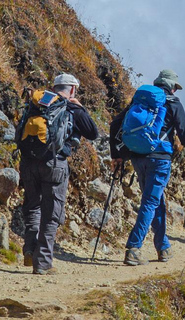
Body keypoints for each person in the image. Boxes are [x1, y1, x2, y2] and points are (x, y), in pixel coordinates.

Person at [113, 69, 185, 266]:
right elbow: (184, 134)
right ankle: (133, 247)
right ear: (172, 87)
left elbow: (115, 124)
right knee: (150, 201)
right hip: (160, 158)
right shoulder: (173, 103)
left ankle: (163, 247)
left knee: (157, 201)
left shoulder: (140, 100)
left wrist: (117, 155)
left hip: (137, 157)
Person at [21, 73, 99, 275]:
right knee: (51, 212)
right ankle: (43, 263)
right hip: (55, 164)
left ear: (55, 87)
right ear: (72, 89)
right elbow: (93, 133)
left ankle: (30, 249)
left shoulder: (37, 103)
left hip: (28, 162)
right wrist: (80, 107)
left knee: (32, 206)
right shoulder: (71, 106)